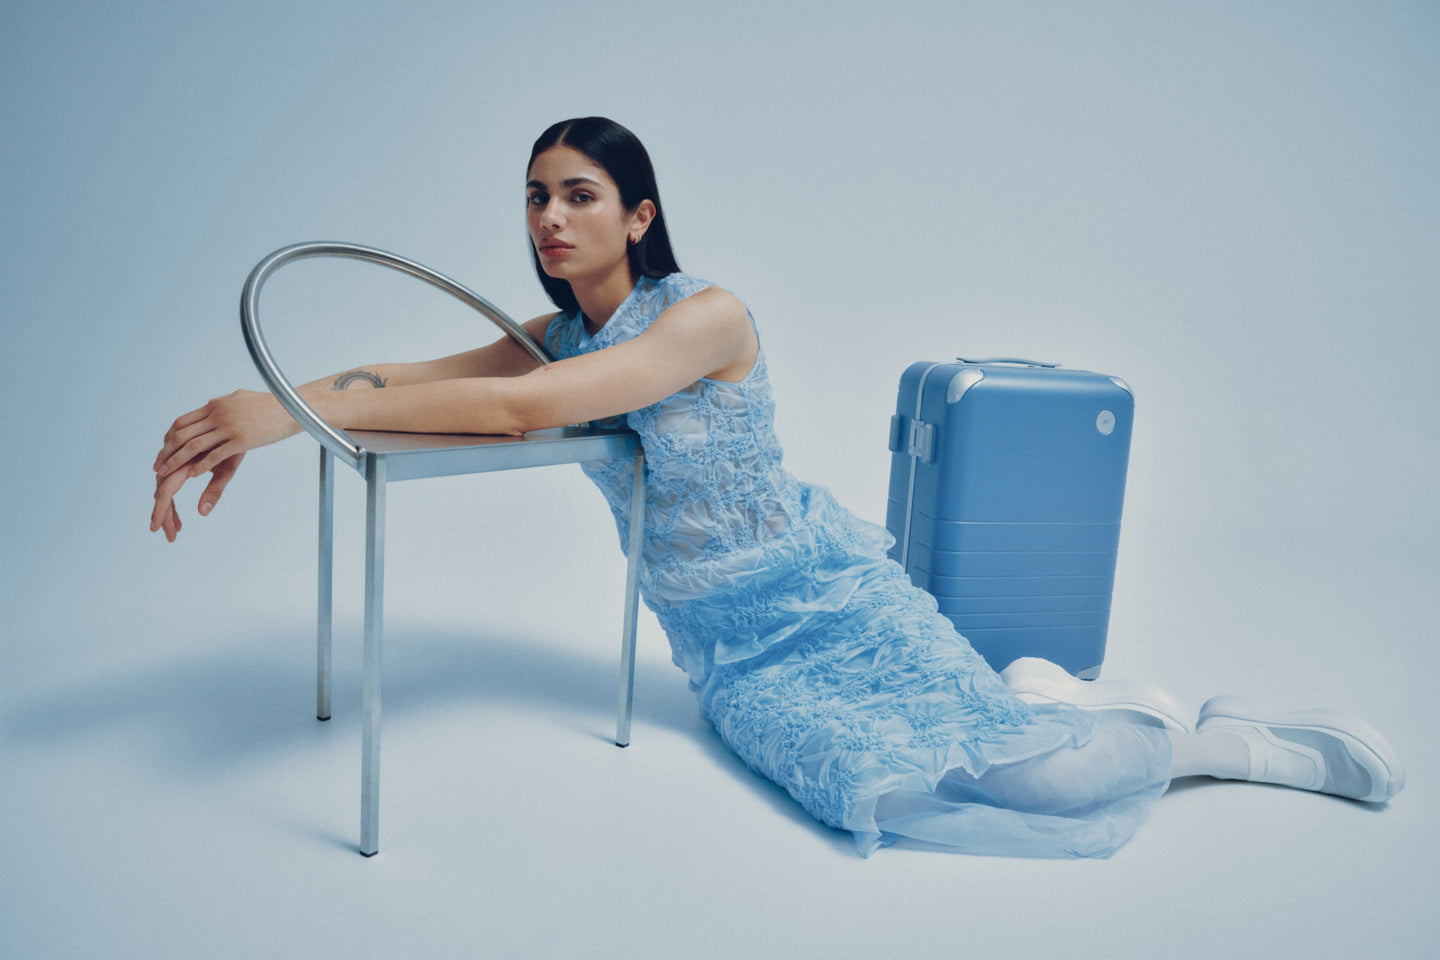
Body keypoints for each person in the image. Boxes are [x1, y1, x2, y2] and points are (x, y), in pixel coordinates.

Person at [151, 117, 1404, 857]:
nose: (550, 217)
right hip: (728, 655)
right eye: (535, 197)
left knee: (1046, 788)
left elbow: (521, 410)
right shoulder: (561, 336)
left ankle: (1227, 743)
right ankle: (1045, 693)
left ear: (639, 215)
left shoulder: (702, 314)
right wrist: (270, 407)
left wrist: (286, 413)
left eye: (579, 196)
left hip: (827, 598)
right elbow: (411, 374)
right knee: (880, 798)